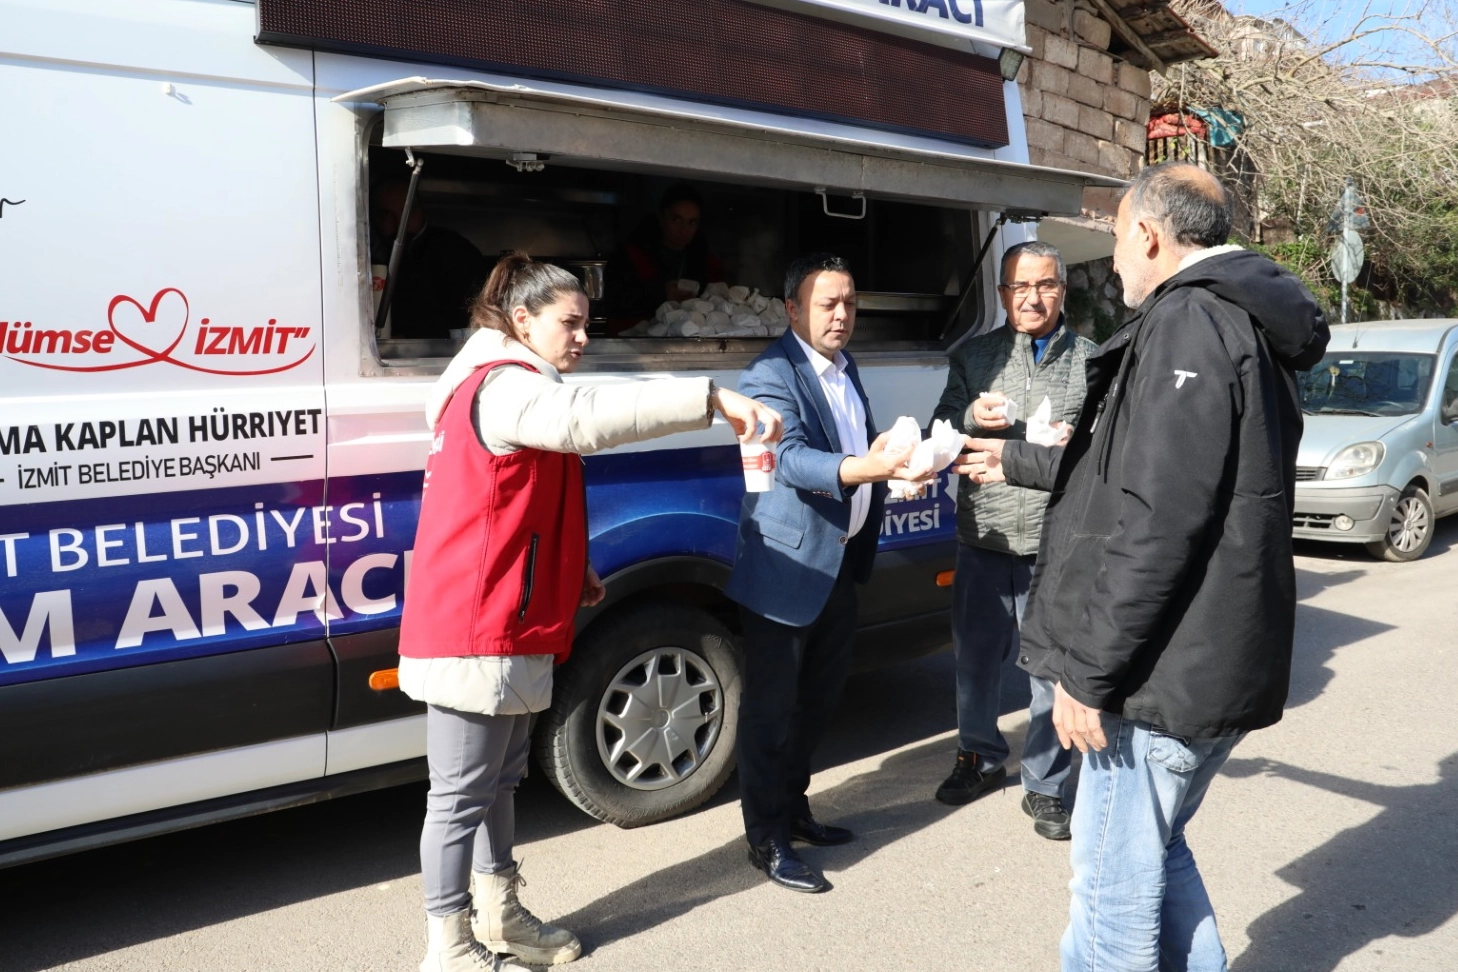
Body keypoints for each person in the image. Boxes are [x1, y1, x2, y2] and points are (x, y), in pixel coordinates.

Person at [956, 162, 1329, 970]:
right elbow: (1125, 470)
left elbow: (1158, 521)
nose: (1113, 261)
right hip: (1199, 668)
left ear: (1150, 234)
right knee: (1156, 858)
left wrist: (1088, 678)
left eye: (1118, 239)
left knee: (1110, 906)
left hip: (1157, 684)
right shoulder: (1240, 319)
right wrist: (1014, 459)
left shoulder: (1189, 323)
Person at [397, 252, 781, 972]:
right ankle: (447, 946)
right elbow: (582, 423)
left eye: (585, 324)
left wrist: (576, 569)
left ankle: (500, 916)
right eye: (569, 323)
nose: (582, 337)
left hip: (505, 617)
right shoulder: (505, 386)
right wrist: (707, 398)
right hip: (476, 624)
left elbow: (513, 505)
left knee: (496, 782)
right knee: (457, 798)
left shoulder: (503, 383)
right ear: (521, 320)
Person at [724, 252, 930, 894]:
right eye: (827, 304)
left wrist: (890, 457)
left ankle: (797, 809)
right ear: (793, 309)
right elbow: (785, 458)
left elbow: (853, 443)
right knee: (770, 712)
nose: (842, 316)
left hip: (841, 560)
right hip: (788, 567)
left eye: (849, 303)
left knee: (817, 704)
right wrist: (870, 470)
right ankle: (766, 839)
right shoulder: (770, 371)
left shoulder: (846, 367)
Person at [929, 241, 1094, 840]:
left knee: (1049, 672)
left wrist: (1079, 436)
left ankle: (1047, 785)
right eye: (1019, 288)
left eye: (1045, 285)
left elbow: (1111, 450)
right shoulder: (975, 356)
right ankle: (977, 756)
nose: (1032, 298)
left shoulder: (1091, 360)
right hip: (984, 534)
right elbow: (938, 433)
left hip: (1056, 541)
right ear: (1002, 295)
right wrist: (971, 415)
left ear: (1062, 290)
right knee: (975, 663)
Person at [372, 180, 489, 340]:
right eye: (386, 215)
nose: (400, 224)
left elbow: (473, 321)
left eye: (408, 212)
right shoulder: (368, 255)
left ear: (421, 210)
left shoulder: (456, 252)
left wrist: (408, 338)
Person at [605, 183, 725, 325]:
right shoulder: (630, 255)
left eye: (692, 222)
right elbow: (614, 301)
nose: (683, 230)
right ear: (661, 218)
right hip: (635, 340)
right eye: (677, 219)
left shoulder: (706, 260)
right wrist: (661, 293)